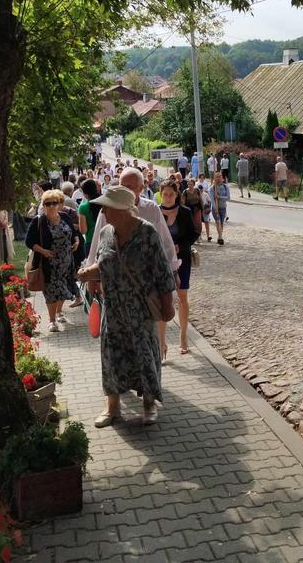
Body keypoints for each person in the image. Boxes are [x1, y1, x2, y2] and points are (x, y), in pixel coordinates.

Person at [77, 185, 176, 427]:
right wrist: (86, 274)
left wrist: (168, 306)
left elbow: (163, 273)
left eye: (107, 208)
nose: (103, 212)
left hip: (140, 310)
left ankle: (149, 403)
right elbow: (104, 263)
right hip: (113, 310)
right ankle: (112, 407)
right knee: (111, 357)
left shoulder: (147, 233)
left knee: (144, 356)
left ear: (121, 209)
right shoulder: (106, 233)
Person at [87, 168, 180, 360]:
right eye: (122, 185)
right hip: (114, 283)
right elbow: (97, 242)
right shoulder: (107, 210)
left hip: (145, 285)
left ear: (141, 188)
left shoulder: (151, 209)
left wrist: (173, 270)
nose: (125, 189)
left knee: (144, 332)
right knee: (117, 333)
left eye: (130, 186)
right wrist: (92, 277)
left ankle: (156, 352)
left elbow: (165, 243)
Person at [26, 189, 81, 332]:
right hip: (48, 264)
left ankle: (59, 312)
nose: (51, 206)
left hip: (66, 262)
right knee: (51, 291)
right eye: (47, 203)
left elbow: (74, 232)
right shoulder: (39, 221)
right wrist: (43, 251)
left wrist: (76, 241)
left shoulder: (65, 217)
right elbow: (29, 242)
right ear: (43, 205)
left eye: (54, 203)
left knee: (64, 288)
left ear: (59, 204)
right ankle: (51, 321)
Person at [160, 181, 198, 354]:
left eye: (171, 194)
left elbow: (193, 233)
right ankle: (161, 343)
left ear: (176, 195)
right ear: (160, 194)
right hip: (161, 262)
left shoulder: (184, 212)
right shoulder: (155, 212)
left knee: (182, 296)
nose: (168, 197)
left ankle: (183, 337)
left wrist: (180, 246)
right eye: (165, 194)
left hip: (181, 260)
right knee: (162, 299)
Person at [78, 178, 103, 255]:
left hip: (90, 241)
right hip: (105, 239)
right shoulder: (105, 202)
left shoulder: (83, 207)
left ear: (85, 193)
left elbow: (83, 230)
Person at [209, 171, 230, 245]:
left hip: (223, 207)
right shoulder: (212, 188)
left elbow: (228, 198)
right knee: (218, 222)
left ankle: (219, 236)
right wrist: (215, 209)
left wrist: (219, 197)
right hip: (215, 208)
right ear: (214, 178)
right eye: (217, 177)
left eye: (219, 176)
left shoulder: (225, 187)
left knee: (221, 223)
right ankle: (221, 238)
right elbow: (212, 199)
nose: (218, 178)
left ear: (222, 178)